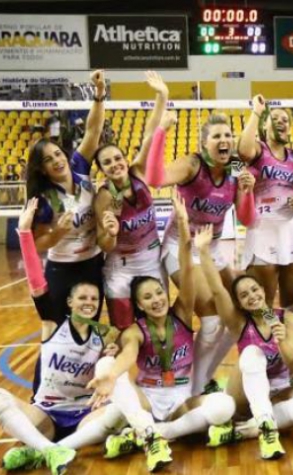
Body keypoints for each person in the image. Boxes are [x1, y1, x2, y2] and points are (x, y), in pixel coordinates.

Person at [86, 193, 236, 472]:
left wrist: (182, 224)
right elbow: (128, 356)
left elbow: (187, 269)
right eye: (148, 297)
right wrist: (112, 373)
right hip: (149, 397)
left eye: (158, 292)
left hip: (181, 396)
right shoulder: (134, 330)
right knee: (108, 367)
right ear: (139, 305)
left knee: (224, 406)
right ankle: (149, 431)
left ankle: (152, 433)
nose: (156, 299)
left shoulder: (180, 313)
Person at [0, 199, 125, 475]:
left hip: (83, 414)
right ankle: (50, 449)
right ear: (70, 302)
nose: (89, 302)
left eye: (94, 298)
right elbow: (36, 280)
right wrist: (25, 234)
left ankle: (43, 450)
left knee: (119, 410)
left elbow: (112, 372)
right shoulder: (52, 322)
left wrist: (109, 359)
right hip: (47, 412)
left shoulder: (104, 335)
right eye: (82, 297)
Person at [144, 81, 257, 396]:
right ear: (204, 143)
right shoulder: (193, 165)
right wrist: (161, 133)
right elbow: (154, 179)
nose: (225, 140)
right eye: (217, 136)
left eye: (227, 135)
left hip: (213, 249)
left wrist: (246, 191)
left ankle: (200, 378)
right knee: (210, 320)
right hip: (180, 248)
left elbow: (246, 219)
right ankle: (192, 387)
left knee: (237, 318)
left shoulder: (235, 170)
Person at [197, 226, 293, 461]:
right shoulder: (237, 322)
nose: (251, 296)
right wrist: (203, 251)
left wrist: (282, 340)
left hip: (279, 388)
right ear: (240, 305)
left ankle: (249, 431)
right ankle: (264, 425)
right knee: (253, 352)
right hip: (244, 394)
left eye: (254, 289)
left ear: (264, 290)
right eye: (244, 295)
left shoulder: (288, 318)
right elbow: (217, 290)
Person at [25, 70, 106, 322]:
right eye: (48, 160)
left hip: (93, 263)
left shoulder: (80, 167)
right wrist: (57, 234)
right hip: (62, 268)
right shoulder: (43, 199)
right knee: (59, 329)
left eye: (58, 154)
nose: (57, 161)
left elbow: (93, 131)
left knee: (89, 327)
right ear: (41, 168)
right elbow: (35, 244)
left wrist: (99, 95)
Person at [94, 71, 167, 330]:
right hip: (122, 266)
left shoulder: (137, 172)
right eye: (107, 163)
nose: (115, 164)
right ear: (102, 170)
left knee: (158, 326)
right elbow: (104, 244)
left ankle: (161, 371)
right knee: (125, 332)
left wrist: (162, 95)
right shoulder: (105, 196)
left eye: (117, 158)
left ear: (125, 159)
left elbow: (150, 132)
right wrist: (111, 235)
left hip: (151, 259)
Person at [237, 94, 293, 316]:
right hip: (263, 229)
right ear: (265, 126)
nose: (281, 121)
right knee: (263, 305)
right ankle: (266, 347)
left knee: (292, 305)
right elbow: (241, 151)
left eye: (285, 119)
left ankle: (288, 346)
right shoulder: (258, 150)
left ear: (289, 129)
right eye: (275, 118)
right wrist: (257, 111)